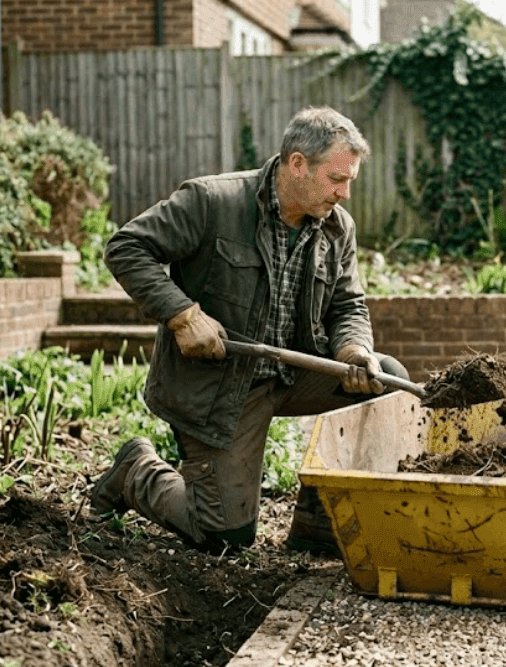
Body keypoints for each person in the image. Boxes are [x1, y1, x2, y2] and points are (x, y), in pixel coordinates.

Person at [92, 106, 406, 554]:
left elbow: (347, 303)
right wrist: (182, 314)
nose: (346, 193)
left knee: (384, 380)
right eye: (338, 179)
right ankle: (138, 472)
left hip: (293, 373)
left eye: (350, 179)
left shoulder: (337, 228)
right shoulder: (212, 202)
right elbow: (127, 247)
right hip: (222, 389)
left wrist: (354, 349)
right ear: (298, 164)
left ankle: (319, 521)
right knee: (224, 537)